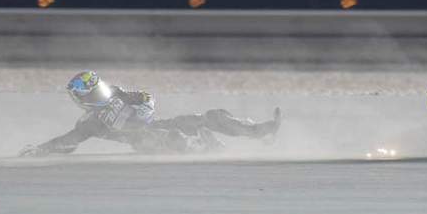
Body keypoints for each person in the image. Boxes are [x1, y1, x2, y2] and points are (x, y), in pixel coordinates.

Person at [19, 71, 281, 156]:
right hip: (146, 142)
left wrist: (141, 107)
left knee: (210, 116)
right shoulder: (90, 122)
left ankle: (259, 131)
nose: (98, 96)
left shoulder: (119, 92)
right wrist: (40, 150)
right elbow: (68, 141)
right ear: (82, 100)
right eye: (91, 94)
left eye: (98, 90)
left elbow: (147, 98)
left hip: (155, 124)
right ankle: (205, 146)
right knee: (173, 135)